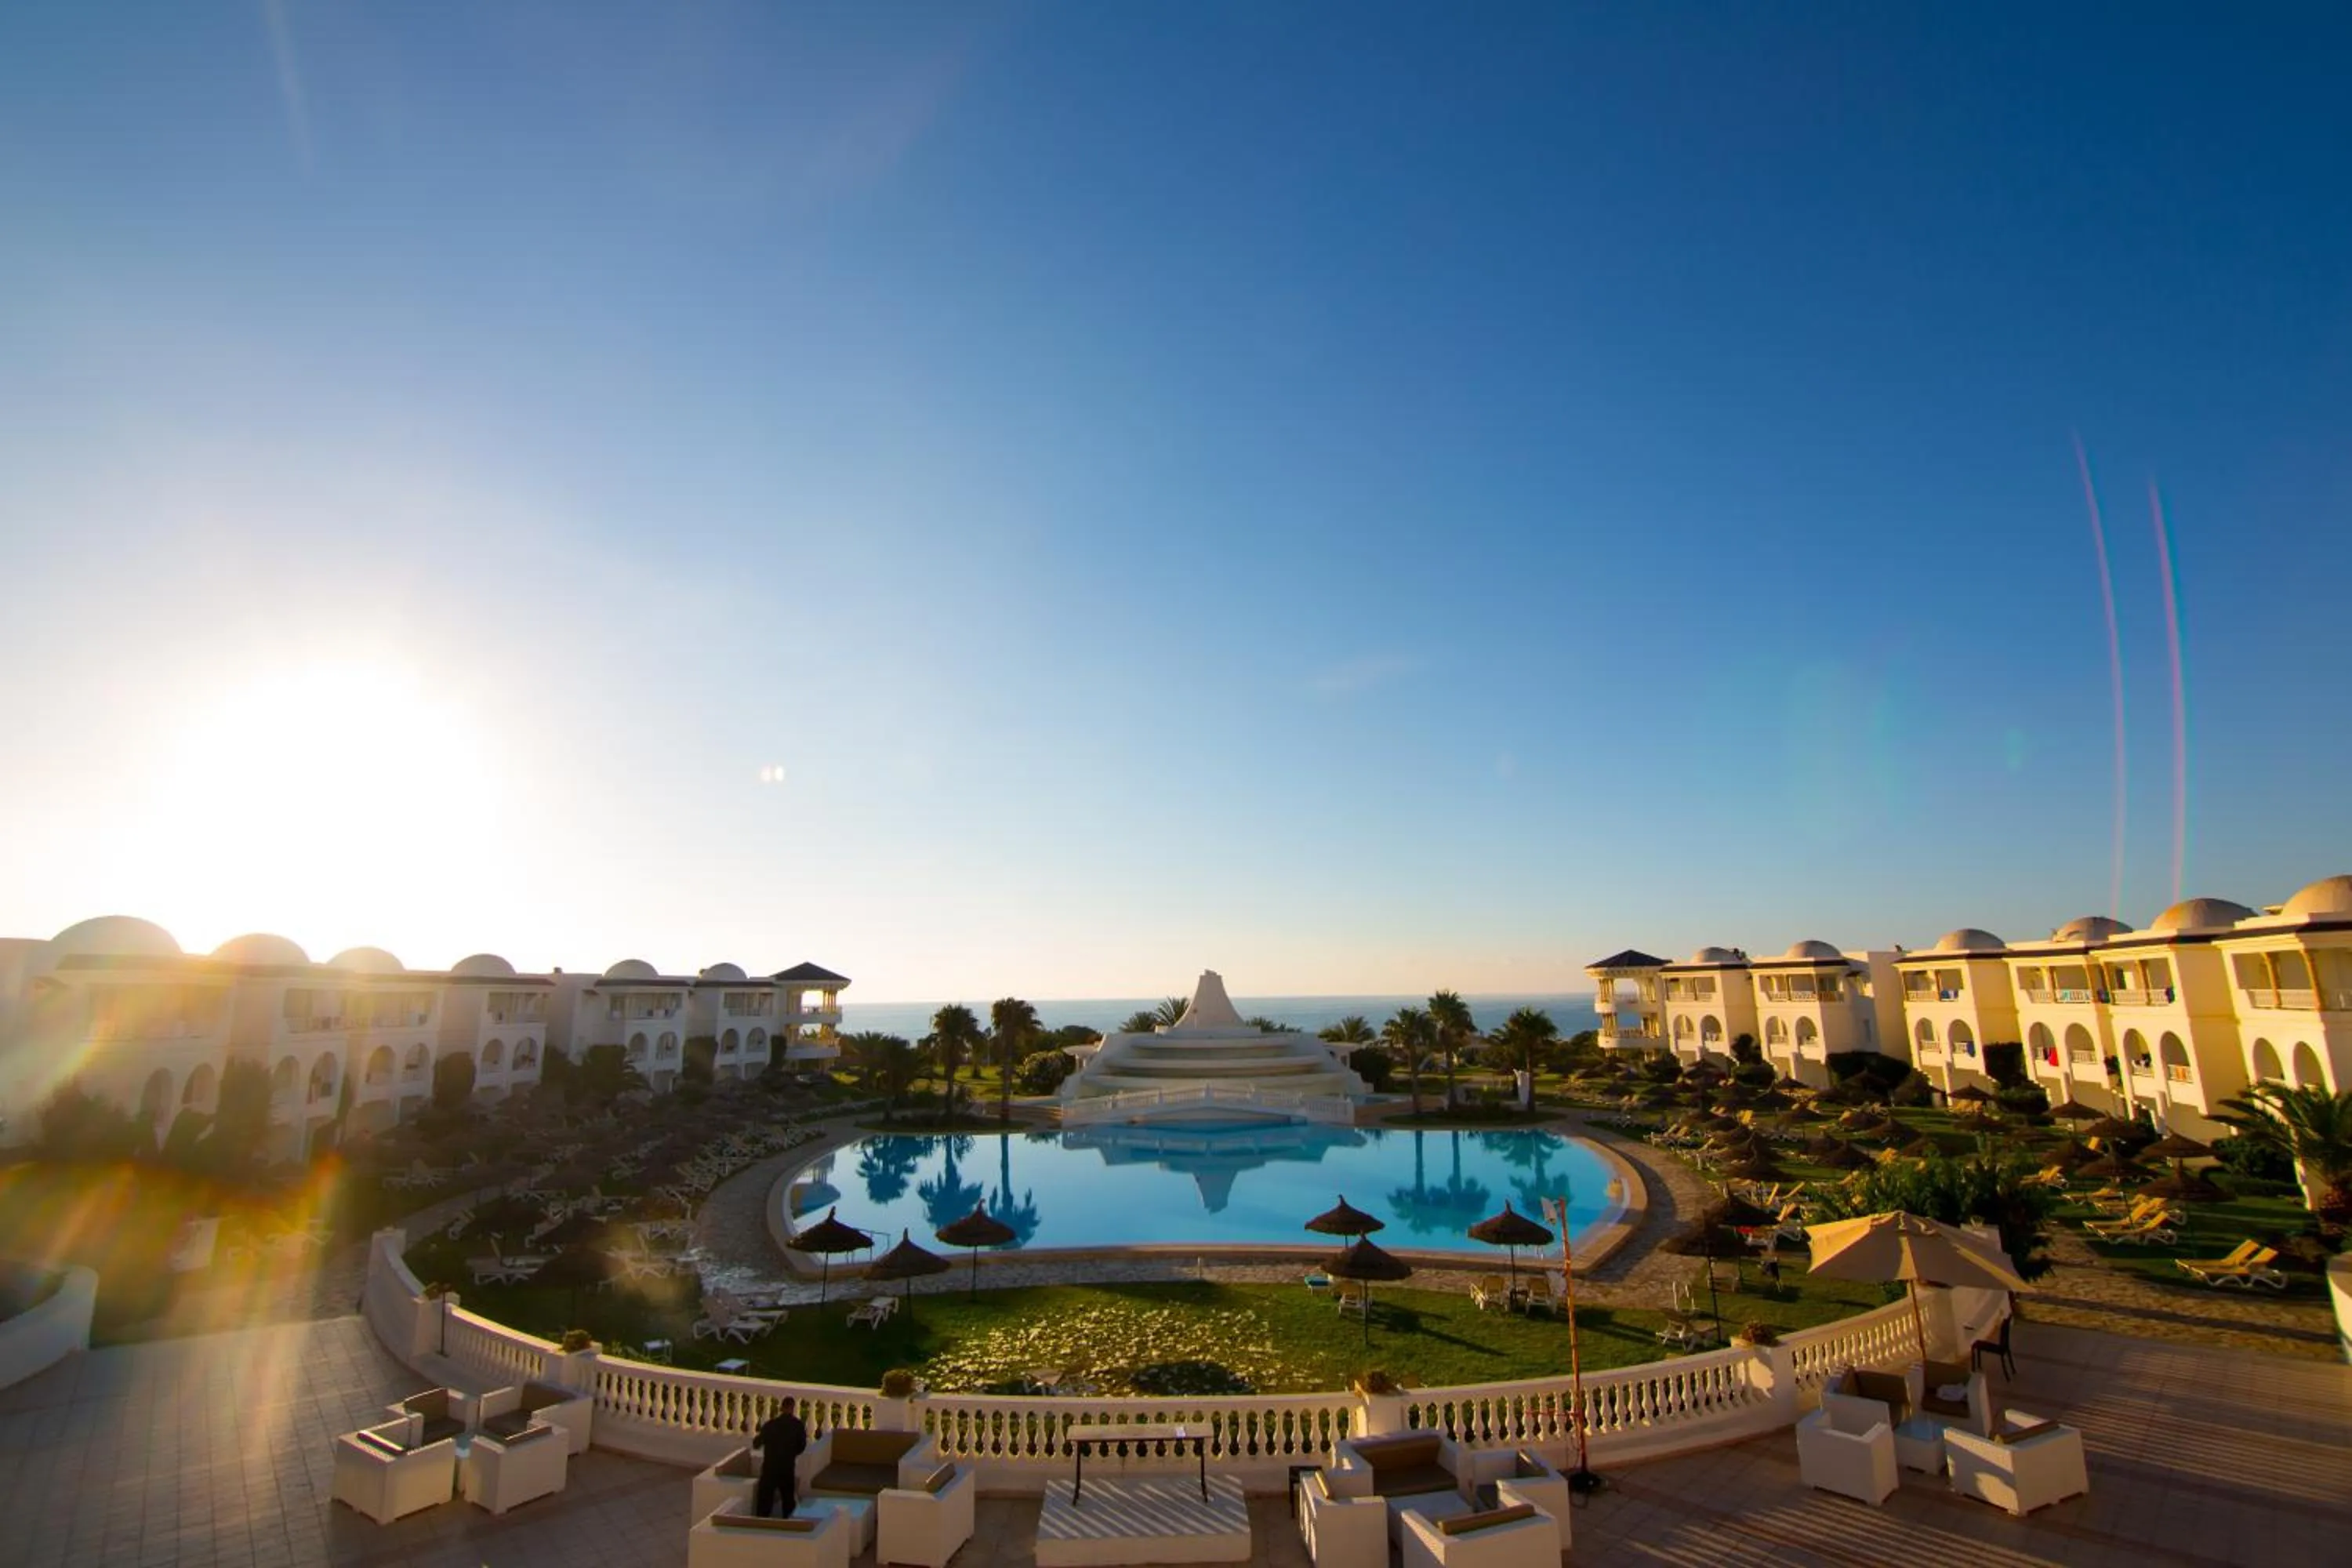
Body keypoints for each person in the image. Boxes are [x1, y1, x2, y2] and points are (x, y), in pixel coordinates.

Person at [752, 1396, 809, 1518]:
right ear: (793, 1408)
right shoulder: (798, 1426)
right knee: (788, 1501)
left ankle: (759, 1525)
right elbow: (802, 1446)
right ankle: (787, 1527)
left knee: (764, 1501)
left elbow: (756, 1444)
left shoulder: (770, 1425)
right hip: (787, 1468)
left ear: (781, 1408)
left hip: (770, 1468)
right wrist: (791, 1454)